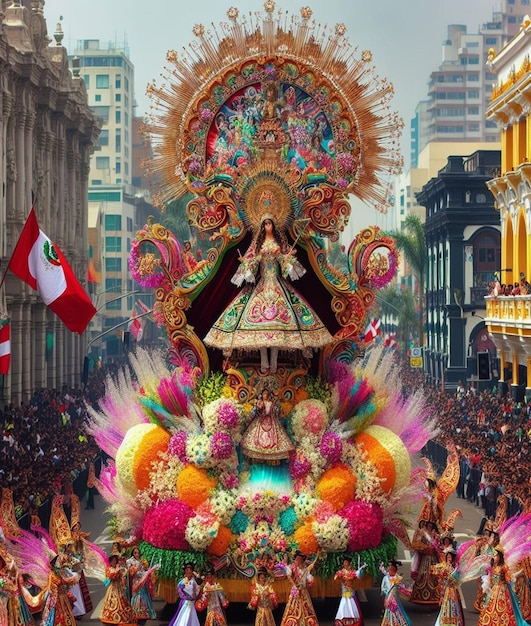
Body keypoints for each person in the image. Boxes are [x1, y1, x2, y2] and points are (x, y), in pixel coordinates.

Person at [204, 213, 332, 374]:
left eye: (269, 223)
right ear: (262, 226)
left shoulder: (279, 243)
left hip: (277, 285)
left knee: (279, 324)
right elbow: (251, 262)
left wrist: (282, 256)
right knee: (258, 322)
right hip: (262, 285)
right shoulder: (258, 244)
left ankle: (274, 360)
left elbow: (286, 264)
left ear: (274, 225)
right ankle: (264, 359)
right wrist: (250, 263)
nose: (267, 227)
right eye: (265, 224)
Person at [241, 387, 294, 461]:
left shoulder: (272, 403)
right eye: (263, 393)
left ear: (268, 395)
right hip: (260, 422)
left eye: (266, 393)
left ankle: (272, 459)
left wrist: (276, 407)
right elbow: (253, 413)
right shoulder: (259, 402)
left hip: (271, 422)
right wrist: (256, 408)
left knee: (275, 438)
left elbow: (278, 413)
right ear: (261, 395)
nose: (264, 395)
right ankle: (257, 458)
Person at [478, 546, 528, 626]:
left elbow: (509, 579)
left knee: (503, 608)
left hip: (502, 591)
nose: (494, 557)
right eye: (494, 555)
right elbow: (491, 579)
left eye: (496, 555)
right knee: (491, 607)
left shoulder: (504, 567)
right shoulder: (493, 567)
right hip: (494, 591)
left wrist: (513, 576)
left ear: (500, 556)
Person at [279, 551, 318, 626]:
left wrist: (317, 556)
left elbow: (312, 566)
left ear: (302, 560)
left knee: (306, 608)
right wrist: (294, 586)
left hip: (303, 591)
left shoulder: (305, 569)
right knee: (293, 607)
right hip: (295, 591)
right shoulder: (292, 567)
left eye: (299, 559)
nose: (298, 560)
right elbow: (288, 576)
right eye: (297, 558)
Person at [430, 549, 465, 626]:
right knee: (446, 605)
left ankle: (454, 622)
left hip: (453, 590)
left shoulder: (454, 568)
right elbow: (441, 579)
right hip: (447, 590)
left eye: (450, 557)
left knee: (454, 606)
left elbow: (456, 579)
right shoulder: (444, 567)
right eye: (448, 556)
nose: (449, 558)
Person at [100, 553, 134, 625]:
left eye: (115, 560)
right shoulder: (109, 569)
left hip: (118, 587)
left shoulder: (119, 568)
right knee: (112, 601)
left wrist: (120, 573)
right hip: (113, 587)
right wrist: (115, 573)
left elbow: (123, 574)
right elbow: (110, 577)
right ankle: (111, 616)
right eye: (113, 560)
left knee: (122, 601)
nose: (114, 562)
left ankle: (122, 615)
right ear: (110, 562)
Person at [126, 547, 157, 625]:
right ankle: (135, 612)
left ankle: (144, 612)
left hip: (143, 583)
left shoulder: (142, 561)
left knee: (144, 596)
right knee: (136, 596)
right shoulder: (130, 561)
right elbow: (133, 573)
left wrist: (148, 572)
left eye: (138, 552)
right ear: (133, 553)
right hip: (136, 582)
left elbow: (144, 571)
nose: (137, 554)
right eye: (135, 553)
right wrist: (145, 573)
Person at [333, 556, 366, 626]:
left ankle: (353, 619)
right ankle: (342, 619)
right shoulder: (341, 571)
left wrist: (360, 571)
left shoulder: (352, 571)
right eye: (344, 562)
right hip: (345, 590)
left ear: (349, 563)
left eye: (346, 562)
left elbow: (358, 576)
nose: (345, 564)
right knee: (344, 603)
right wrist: (342, 579)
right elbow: (336, 577)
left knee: (351, 602)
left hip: (350, 590)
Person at [379, 559, 411, 626]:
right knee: (388, 610)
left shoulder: (398, 578)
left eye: (392, 570)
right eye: (389, 570)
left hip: (395, 599)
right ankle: (389, 622)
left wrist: (407, 590)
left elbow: (401, 587)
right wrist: (386, 592)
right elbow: (383, 587)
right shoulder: (385, 578)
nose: (390, 571)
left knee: (396, 609)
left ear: (395, 570)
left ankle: (398, 622)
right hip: (388, 597)